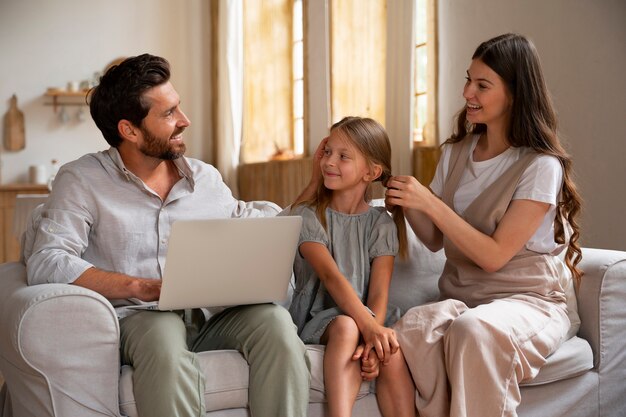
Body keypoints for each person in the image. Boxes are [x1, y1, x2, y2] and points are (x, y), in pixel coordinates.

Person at [26, 54, 310, 417]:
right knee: (163, 344)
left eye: (179, 108)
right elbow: (48, 260)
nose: (184, 121)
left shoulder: (205, 177)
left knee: (275, 324)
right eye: (169, 114)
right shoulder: (82, 180)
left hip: (214, 314)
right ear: (129, 130)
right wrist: (139, 286)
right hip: (142, 316)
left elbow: (247, 218)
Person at [385, 33, 583, 417]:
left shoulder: (540, 166)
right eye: (467, 80)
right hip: (464, 301)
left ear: (514, 93)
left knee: (472, 331)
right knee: (411, 330)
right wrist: (409, 203)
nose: (467, 92)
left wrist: (431, 203)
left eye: (482, 85)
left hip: (529, 303)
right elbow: (433, 240)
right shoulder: (455, 153)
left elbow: (494, 256)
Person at [282, 116, 416, 417]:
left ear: (372, 171)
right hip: (320, 316)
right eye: (328, 152)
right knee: (347, 325)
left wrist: (373, 336)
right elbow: (330, 276)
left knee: (389, 349)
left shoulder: (381, 223)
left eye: (343, 156)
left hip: (367, 317)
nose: (329, 162)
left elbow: (380, 290)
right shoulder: (307, 216)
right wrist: (368, 327)